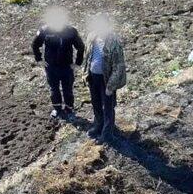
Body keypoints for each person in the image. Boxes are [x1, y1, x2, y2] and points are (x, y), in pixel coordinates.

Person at [32, 7, 85, 119]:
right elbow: (35, 45)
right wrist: (39, 59)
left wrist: (77, 63)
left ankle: (69, 110)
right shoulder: (45, 30)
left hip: (67, 67)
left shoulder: (71, 31)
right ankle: (57, 109)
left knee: (68, 89)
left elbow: (80, 47)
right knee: (54, 89)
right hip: (51, 67)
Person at [82, 14, 126, 143]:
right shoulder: (91, 36)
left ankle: (107, 134)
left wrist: (110, 86)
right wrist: (85, 74)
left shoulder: (114, 41)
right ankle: (98, 125)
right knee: (96, 104)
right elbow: (87, 56)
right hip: (93, 77)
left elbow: (119, 66)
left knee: (108, 107)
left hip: (106, 80)